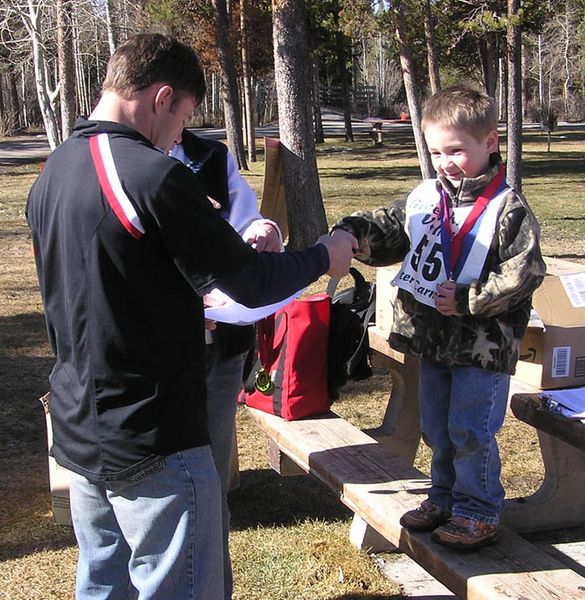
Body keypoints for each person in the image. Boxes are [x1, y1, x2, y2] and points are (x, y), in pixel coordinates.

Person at [26, 33, 356, 599]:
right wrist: (325, 256)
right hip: (153, 435)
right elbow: (251, 285)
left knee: (103, 584)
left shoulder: (54, 170)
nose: (182, 134)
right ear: (160, 97)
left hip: (82, 426)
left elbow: (112, 284)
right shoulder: (153, 175)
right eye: (183, 117)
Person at [334, 84, 545, 550]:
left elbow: (526, 272)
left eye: (456, 150)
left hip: (482, 348)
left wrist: (471, 299)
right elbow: (392, 232)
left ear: (490, 142)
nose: (446, 161)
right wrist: (352, 231)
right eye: (436, 151)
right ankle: (443, 496)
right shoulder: (428, 198)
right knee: (436, 426)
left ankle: (479, 508)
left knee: (471, 429)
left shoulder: (508, 210)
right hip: (433, 341)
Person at [170, 128, 283, 599]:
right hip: (152, 352)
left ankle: (214, 590)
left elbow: (244, 226)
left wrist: (263, 231)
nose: (184, 118)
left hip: (217, 348)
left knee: (208, 481)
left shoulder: (210, 157)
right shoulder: (119, 159)